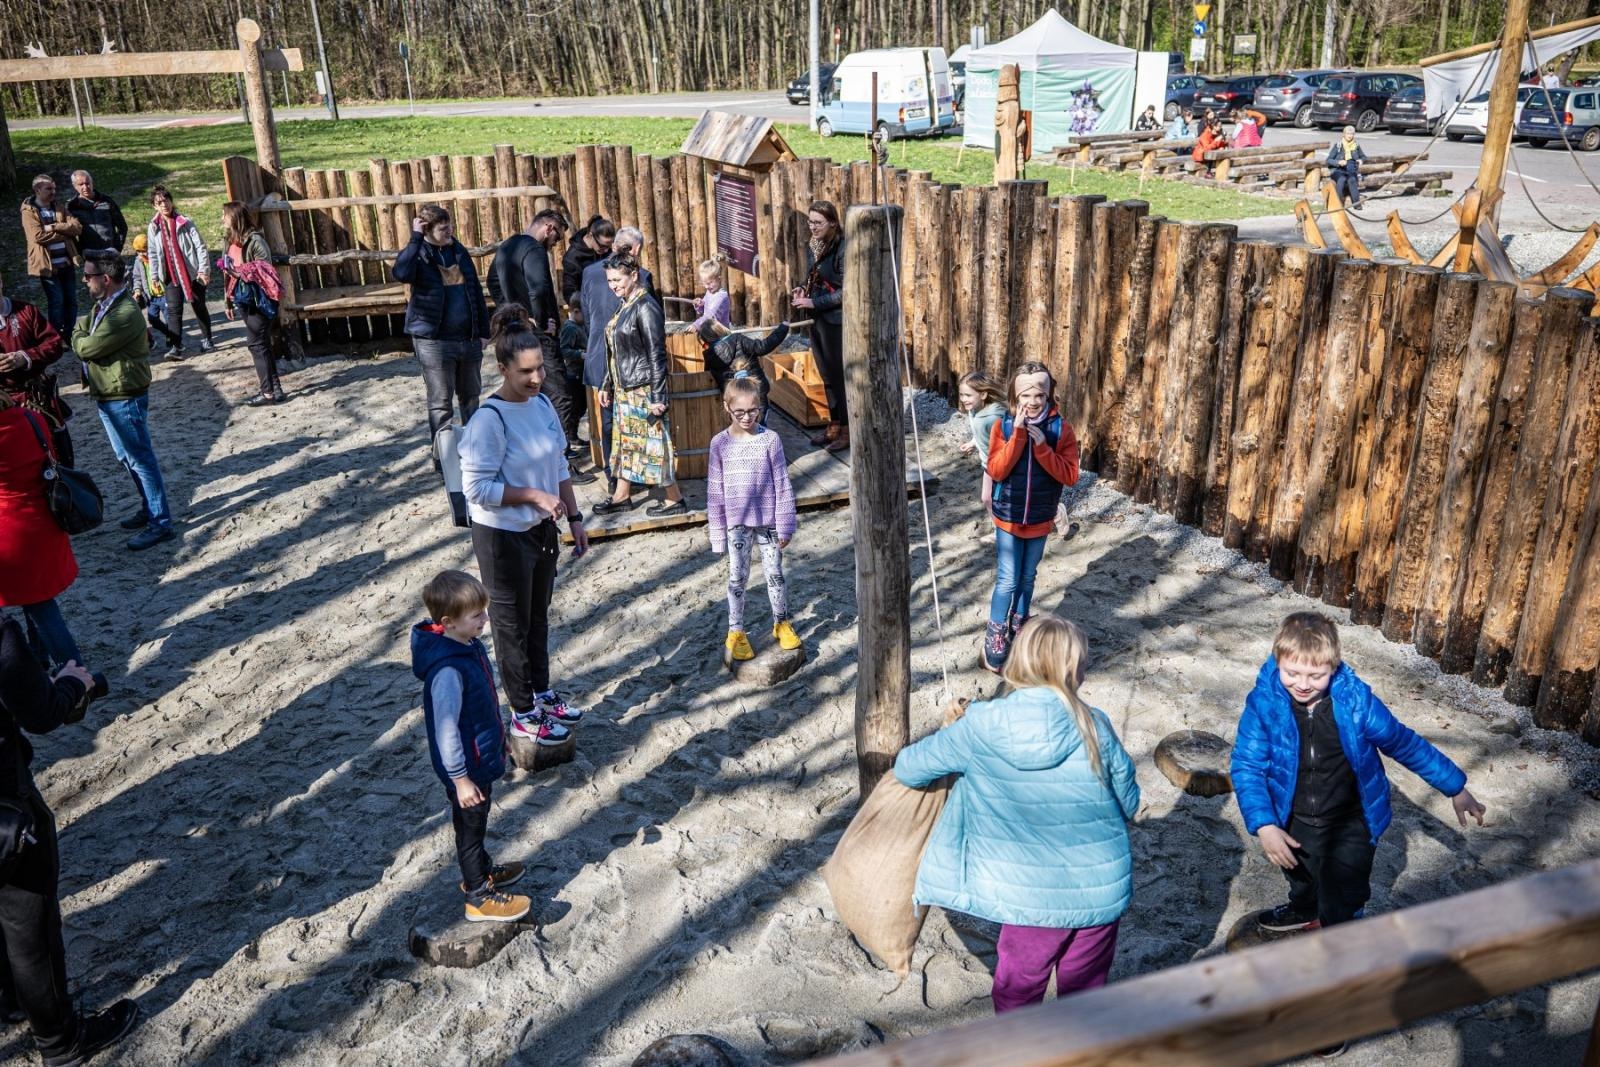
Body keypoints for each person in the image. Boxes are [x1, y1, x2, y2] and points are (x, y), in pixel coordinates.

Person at [1230, 612, 1486, 1056]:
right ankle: (1302, 906)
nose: (1303, 683)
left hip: (1351, 822)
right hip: (1294, 817)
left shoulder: (1356, 702)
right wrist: (1266, 824)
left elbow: (1404, 743)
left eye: (1316, 674)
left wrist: (1456, 786)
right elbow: (1247, 764)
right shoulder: (1265, 702)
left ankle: (1332, 1007)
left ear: (1334, 667)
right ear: (1277, 663)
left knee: (1341, 907)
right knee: (1302, 874)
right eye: (1293, 673)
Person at [893, 615, 1140, 1014]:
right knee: (1086, 995)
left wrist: (950, 730)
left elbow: (908, 767)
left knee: (1018, 990)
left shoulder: (980, 725)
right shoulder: (1095, 725)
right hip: (1100, 889)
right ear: (1074, 671)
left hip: (1030, 896)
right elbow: (1129, 802)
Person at [0, 617, 139, 1064]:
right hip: (5, 814)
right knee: (29, 928)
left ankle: (9, 998)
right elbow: (41, 713)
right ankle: (61, 1044)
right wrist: (71, 685)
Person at [459, 306, 586, 749]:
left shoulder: (544, 402)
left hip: (541, 529)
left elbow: (557, 462)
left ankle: (542, 692)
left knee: (537, 619)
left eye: (540, 369)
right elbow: (477, 488)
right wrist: (534, 496)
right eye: (526, 373)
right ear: (502, 369)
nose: (536, 379)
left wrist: (574, 516)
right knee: (510, 625)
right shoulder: (487, 421)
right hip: (501, 535)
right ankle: (523, 712)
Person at [411, 570, 531, 923]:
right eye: (477, 615)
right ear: (448, 622)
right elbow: (447, 729)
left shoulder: (468, 645)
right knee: (470, 830)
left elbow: (481, 707)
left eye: (484, 611)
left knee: (477, 825)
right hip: (466, 770)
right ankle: (478, 894)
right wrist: (461, 779)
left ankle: (483, 869)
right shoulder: (447, 670)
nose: (486, 619)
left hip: (481, 755)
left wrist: (500, 741)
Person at [73, 252, 176, 551]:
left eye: (88, 275)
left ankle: (161, 522)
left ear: (105, 279)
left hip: (123, 396)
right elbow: (84, 330)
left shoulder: (123, 313)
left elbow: (86, 346)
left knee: (141, 459)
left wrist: (78, 336)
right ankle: (149, 509)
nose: (84, 280)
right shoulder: (103, 306)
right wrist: (81, 333)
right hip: (109, 393)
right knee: (128, 457)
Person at [983, 362, 1080, 672]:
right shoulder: (1004, 426)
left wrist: (1042, 448)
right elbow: (996, 469)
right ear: (1016, 395)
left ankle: (1020, 622)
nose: (1033, 401)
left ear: (1049, 394)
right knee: (1008, 578)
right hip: (1008, 518)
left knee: (1028, 576)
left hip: (1040, 516)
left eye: (1040, 394)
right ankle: (997, 631)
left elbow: (1070, 475)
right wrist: (1020, 438)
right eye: (1026, 394)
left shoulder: (1061, 429)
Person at [706, 377, 799, 663]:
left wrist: (785, 523)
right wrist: (717, 534)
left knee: (775, 574)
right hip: (737, 524)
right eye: (740, 412)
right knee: (737, 577)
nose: (747, 417)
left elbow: (782, 482)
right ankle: (736, 631)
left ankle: (781, 622)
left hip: (768, 522)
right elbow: (714, 491)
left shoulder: (770, 440)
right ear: (727, 408)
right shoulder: (719, 444)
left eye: (753, 411)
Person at [595, 253, 685, 517]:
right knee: (625, 443)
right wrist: (606, 383)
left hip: (643, 389)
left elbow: (656, 353)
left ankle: (675, 499)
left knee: (653, 445)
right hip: (625, 389)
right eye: (609, 280)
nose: (613, 285)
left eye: (617, 279)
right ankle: (621, 495)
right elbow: (616, 350)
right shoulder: (626, 304)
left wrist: (659, 397)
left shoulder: (645, 306)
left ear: (634, 275)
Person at [0, 393, 85, 671]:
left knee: (41, 611)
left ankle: (75, 677)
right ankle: (43, 661)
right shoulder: (32, 419)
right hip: (42, 523)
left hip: (9, 534)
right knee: (38, 602)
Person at [393, 204, 492, 441]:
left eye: (450, 227)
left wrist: (484, 331)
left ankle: (475, 451)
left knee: (471, 398)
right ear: (427, 229)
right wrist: (415, 238)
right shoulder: (418, 252)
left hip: (468, 339)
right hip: (434, 342)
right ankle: (444, 460)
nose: (450, 233)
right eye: (443, 229)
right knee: (441, 403)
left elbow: (475, 290)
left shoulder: (458, 250)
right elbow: (401, 273)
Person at [489, 209, 573, 444]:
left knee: (529, 393)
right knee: (558, 394)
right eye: (556, 239)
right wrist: (537, 320)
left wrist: (511, 314)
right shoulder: (535, 249)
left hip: (517, 332)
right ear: (548, 228)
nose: (554, 245)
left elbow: (492, 282)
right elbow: (538, 289)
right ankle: (562, 457)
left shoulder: (507, 246)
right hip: (538, 336)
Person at [0, 270, 74, 466]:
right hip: (3, 411)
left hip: (36, 399)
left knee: (58, 462)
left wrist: (25, 357)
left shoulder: (25, 311)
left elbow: (55, 344)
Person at [791, 201, 846, 453]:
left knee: (839, 377)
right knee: (825, 375)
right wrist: (804, 287)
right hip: (819, 318)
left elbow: (848, 292)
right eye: (810, 221)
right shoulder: (814, 245)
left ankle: (847, 429)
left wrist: (814, 301)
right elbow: (814, 274)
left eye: (818, 222)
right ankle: (833, 424)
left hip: (837, 321)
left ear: (833, 222)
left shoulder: (842, 248)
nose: (812, 227)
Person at [220, 201, 287, 407]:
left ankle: (266, 392)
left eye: (225, 215)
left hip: (259, 299)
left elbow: (265, 270)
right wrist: (227, 300)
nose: (222, 219)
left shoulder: (256, 241)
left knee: (255, 343)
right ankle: (275, 388)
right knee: (262, 343)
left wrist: (239, 272)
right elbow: (227, 273)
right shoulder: (229, 240)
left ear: (235, 217)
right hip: (241, 298)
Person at [146, 185, 213, 356]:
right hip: (170, 276)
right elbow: (153, 253)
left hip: (192, 273)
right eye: (159, 202)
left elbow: (200, 247)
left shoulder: (185, 222)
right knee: (174, 310)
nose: (164, 205)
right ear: (154, 206)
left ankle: (207, 339)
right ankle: (176, 346)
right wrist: (154, 275)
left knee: (198, 305)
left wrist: (203, 270)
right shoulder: (153, 227)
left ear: (171, 201)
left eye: (166, 200)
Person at [19, 175, 82, 339]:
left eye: (54, 188)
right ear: (37, 190)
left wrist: (53, 226)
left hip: (66, 263)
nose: (53, 192)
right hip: (48, 266)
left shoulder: (59, 207)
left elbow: (76, 227)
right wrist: (63, 234)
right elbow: (37, 236)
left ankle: (68, 336)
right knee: (57, 302)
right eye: (49, 189)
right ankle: (55, 338)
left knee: (71, 302)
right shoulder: (29, 211)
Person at [696, 319, 787, 416]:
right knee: (759, 425)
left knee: (742, 427)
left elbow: (710, 379)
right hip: (756, 393)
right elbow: (763, 347)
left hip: (735, 400)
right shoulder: (738, 339)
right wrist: (783, 328)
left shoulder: (710, 356)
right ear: (720, 329)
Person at [957, 370, 1007, 538]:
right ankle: (999, 530)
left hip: (1002, 467)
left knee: (1003, 500)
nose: (964, 399)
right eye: (962, 395)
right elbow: (982, 435)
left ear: (984, 394)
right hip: (988, 465)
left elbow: (1007, 442)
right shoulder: (975, 410)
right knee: (987, 499)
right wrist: (973, 443)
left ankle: (1055, 512)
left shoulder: (993, 418)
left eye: (968, 395)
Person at [129, 234, 183, 359]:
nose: (142, 254)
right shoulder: (138, 262)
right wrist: (137, 290)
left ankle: (177, 343)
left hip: (164, 294)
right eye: (139, 251)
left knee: (170, 319)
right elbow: (137, 277)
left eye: (144, 250)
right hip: (151, 297)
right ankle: (169, 334)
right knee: (152, 319)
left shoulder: (157, 259)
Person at [65, 170, 127, 255]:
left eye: (87, 183)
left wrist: (117, 248)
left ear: (92, 182)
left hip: (110, 252)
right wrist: (79, 251)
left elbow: (122, 226)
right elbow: (69, 233)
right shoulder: (71, 206)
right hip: (88, 254)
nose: (85, 187)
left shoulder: (107, 201)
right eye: (81, 184)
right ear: (74, 186)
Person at [560, 215, 615, 307]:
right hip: (588, 307)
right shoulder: (572, 257)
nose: (606, 250)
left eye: (609, 246)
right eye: (602, 246)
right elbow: (569, 292)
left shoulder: (606, 250)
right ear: (591, 235)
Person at [1327, 126, 1367, 208]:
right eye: (1348, 134)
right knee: (1342, 179)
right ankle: (1338, 204)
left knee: (1352, 180)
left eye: (1352, 134)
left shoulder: (1356, 146)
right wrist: (1338, 162)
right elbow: (1328, 160)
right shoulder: (1338, 146)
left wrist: (1361, 160)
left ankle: (1356, 205)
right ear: (1344, 134)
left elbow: (1364, 157)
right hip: (1338, 170)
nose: (1350, 136)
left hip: (1351, 169)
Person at [690, 256, 732, 333]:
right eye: (704, 283)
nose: (706, 286)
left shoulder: (722, 296)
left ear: (719, 279)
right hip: (711, 332)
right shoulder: (709, 292)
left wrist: (696, 325)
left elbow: (711, 316)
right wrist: (700, 304)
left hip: (721, 335)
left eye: (709, 283)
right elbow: (704, 310)